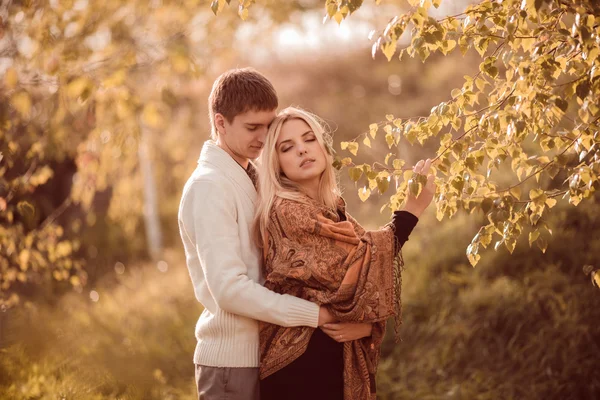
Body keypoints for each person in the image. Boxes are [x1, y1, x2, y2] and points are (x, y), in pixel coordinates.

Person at [178, 69, 340, 400]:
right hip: (232, 364)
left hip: (268, 354)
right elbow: (229, 289)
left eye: (269, 126)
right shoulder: (210, 187)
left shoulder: (254, 177)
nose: (264, 137)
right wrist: (317, 316)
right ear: (220, 122)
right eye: (253, 128)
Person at [254, 107, 436, 400]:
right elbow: (350, 268)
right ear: (277, 164)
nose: (302, 150)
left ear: (323, 148)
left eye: (309, 139)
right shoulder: (286, 211)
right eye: (287, 148)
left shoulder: (333, 208)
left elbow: (360, 280)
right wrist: (411, 210)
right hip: (299, 369)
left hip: (329, 361)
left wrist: (365, 324)